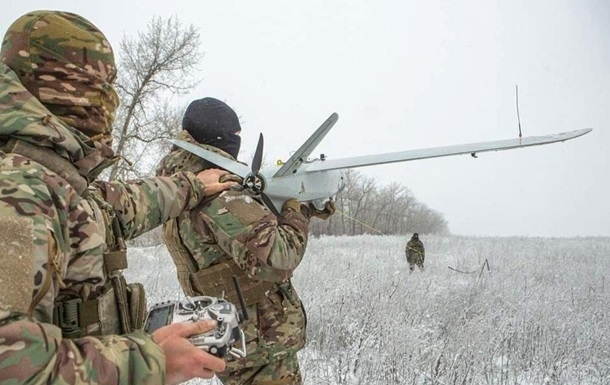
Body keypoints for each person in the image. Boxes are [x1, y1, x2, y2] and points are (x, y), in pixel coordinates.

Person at [0, 11, 235, 384]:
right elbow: (10, 364)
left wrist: (193, 185)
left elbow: (118, 207)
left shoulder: (51, 178)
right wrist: (151, 360)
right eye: (105, 85)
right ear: (75, 88)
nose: (113, 100)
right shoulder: (17, 191)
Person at [156, 97, 335, 385]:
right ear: (219, 137)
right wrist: (296, 208)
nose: (238, 143)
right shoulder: (222, 192)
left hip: (230, 334)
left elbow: (242, 232)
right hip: (262, 341)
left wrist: (306, 204)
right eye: (235, 136)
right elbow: (278, 257)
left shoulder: (176, 188)